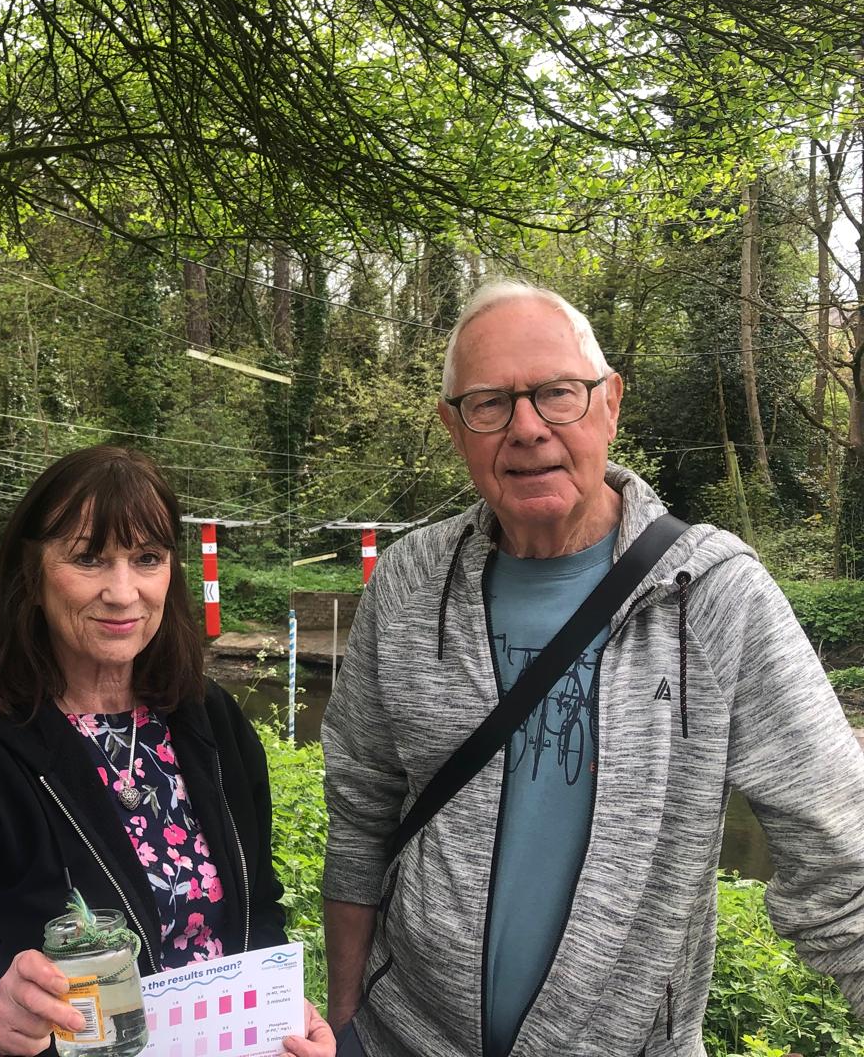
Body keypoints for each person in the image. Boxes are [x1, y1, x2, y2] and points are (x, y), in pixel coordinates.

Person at [321, 280, 864, 1056]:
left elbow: (845, 860)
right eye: (489, 404)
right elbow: (361, 814)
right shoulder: (409, 582)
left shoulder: (714, 596)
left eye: (557, 394)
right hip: (399, 1036)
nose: (527, 428)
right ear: (453, 427)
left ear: (610, 402)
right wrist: (344, 1028)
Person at [0, 445, 334, 1057]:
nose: (123, 593)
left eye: (146, 559)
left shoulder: (210, 719)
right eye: (89, 559)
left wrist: (281, 1011)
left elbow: (259, 906)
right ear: (31, 575)